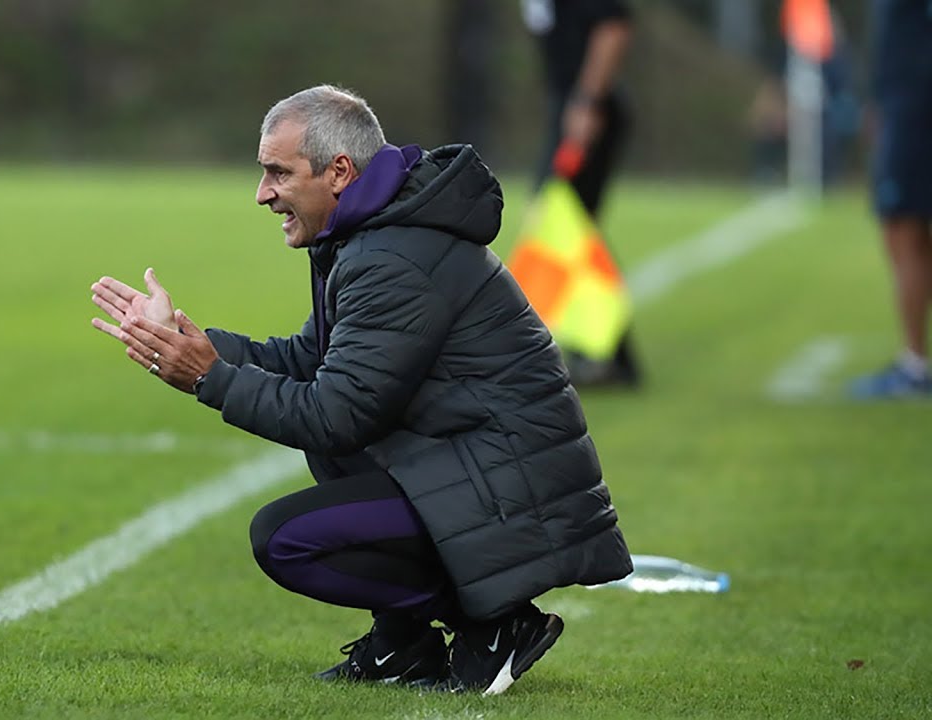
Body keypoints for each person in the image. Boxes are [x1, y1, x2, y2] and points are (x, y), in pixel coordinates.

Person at [91, 85, 631, 694]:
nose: (263, 193)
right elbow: (310, 361)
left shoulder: (391, 255)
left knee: (287, 539)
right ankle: (403, 645)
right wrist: (187, 340)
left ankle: (495, 623)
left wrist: (208, 377)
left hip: (515, 492)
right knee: (333, 442)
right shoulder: (378, 229)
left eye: (278, 173)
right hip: (491, 467)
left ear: (340, 172)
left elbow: (333, 416)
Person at [521, 0, 639, 386]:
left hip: (587, 108)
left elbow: (613, 27)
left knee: (560, 219)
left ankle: (604, 354)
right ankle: (606, 353)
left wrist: (588, 101)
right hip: (569, 104)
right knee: (570, 224)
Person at [850, 0, 932, 398]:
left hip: (917, 102)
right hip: (903, 99)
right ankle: (914, 362)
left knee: (903, 224)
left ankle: (915, 364)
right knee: (901, 226)